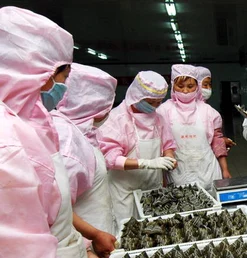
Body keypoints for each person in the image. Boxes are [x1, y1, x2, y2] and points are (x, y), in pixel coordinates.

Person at [0, 7, 130, 258]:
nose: (60, 84)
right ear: (24, 66)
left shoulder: (23, 121)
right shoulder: (6, 140)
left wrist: (77, 249)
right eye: (59, 73)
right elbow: (10, 246)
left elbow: (43, 213)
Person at [97, 71, 177, 223]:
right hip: (125, 191)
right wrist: (147, 163)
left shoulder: (158, 118)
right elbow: (111, 159)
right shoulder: (116, 119)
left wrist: (169, 158)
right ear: (136, 95)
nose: (154, 107)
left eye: (158, 102)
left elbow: (168, 144)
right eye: (150, 102)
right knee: (128, 230)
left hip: (153, 188)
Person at [53, 63, 118, 239]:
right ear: (95, 107)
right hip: (85, 241)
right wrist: (94, 235)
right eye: (107, 108)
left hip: (98, 233)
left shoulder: (83, 132)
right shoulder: (68, 142)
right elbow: (58, 208)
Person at [157, 64, 230, 188]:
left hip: (208, 171)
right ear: (173, 86)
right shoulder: (163, 111)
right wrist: (161, 177)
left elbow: (217, 142)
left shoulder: (208, 111)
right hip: (178, 174)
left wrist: (225, 169)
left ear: (197, 86)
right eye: (180, 86)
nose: (185, 91)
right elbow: (159, 146)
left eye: (190, 86)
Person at [196, 65, 236, 150]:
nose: (209, 88)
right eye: (205, 85)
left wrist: (221, 141)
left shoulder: (209, 110)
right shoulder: (176, 110)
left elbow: (211, 137)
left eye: (210, 85)